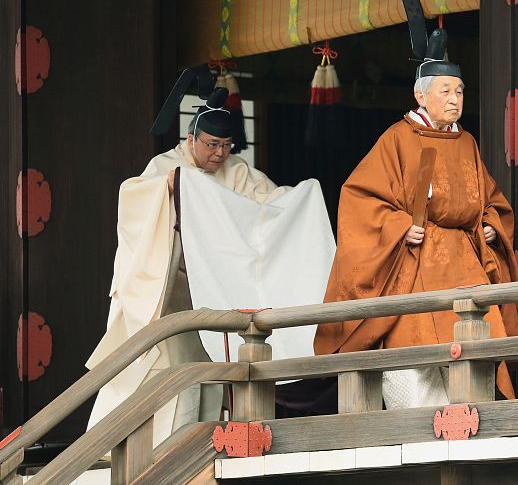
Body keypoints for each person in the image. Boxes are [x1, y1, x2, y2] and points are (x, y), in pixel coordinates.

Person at [313, 0, 518, 409]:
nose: (455, 99)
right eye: (445, 91)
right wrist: (397, 227)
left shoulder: (465, 142)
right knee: (415, 360)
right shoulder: (397, 140)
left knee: (475, 358)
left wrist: (490, 223)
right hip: (417, 261)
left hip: (465, 262)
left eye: (460, 91)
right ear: (421, 94)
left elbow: (491, 198)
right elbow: (359, 199)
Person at [87, 83, 334, 445]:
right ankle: (146, 447)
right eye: (211, 145)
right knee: (166, 370)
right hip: (170, 292)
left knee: (212, 370)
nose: (219, 154)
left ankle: (200, 444)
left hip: (213, 291)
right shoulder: (167, 167)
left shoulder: (237, 172)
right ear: (191, 139)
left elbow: (268, 207)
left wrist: (299, 197)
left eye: (226, 146)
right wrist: (172, 190)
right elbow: (133, 198)